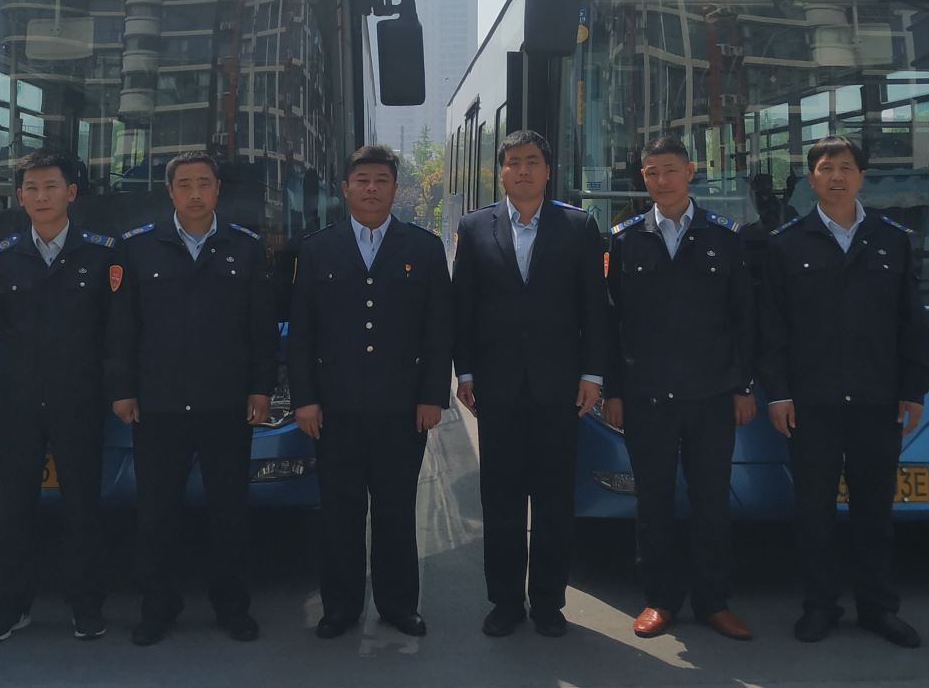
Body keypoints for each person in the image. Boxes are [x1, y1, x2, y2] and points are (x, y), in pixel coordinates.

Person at [761, 135, 929, 648]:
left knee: (874, 512)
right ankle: (819, 607)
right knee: (813, 512)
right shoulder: (787, 243)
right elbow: (772, 327)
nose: (835, 176)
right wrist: (778, 393)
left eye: (845, 167)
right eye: (825, 168)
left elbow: (912, 322)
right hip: (810, 403)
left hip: (876, 399)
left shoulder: (892, 240)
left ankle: (878, 609)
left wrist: (914, 388)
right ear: (810, 178)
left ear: (861, 176)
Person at [110, 152, 276, 645]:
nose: (196, 193)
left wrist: (261, 388)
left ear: (218, 189)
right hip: (159, 404)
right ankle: (158, 608)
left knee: (230, 512)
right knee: (156, 513)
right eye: (185, 184)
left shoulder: (246, 248)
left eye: (205, 183)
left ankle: (232, 607)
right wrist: (122, 390)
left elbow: (261, 328)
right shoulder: (138, 248)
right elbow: (122, 329)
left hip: (226, 404)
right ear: (170, 192)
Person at [288, 145, 452, 639]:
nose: (372, 188)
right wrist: (305, 399)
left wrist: (432, 396)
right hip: (334, 407)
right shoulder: (317, 249)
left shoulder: (423, 249)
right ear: (345, 188)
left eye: (381, 180)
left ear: (395, 189)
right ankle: (340, 607)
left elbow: (438, 330)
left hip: (401, 407)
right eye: (362, 180)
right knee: (339, 512)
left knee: (395, 510)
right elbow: (302, 332)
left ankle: (398, 605)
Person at [451, 129, 609, 638]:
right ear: (500, 171)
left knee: (554, 500)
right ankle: (505, 601)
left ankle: (547, 602)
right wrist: (465, 371)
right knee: (500, 499)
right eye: (514, 161)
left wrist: (592, 374)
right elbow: (463, 307)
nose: (523, 170)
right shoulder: (475, 227)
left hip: (559, 387)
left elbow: (594, 307)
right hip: (496, 387)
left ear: (547, 170)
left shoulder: (578, 226)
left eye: (532, 161)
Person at [604, 135, 758, 643]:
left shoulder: (725, 238)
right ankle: (660, 599)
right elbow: (612, 322)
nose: (661, 181)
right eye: (651, 172)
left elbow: (744, 319)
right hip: (647, 397)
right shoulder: (626, 239)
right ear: (642, 179)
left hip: (710, 397)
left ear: (691, 172)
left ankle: (714, 602)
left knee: (711, 502)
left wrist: (743, 387)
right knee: (654, 503)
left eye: (670, 169)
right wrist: (614, 391)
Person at [0, 150, 129, 644]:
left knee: (82, 506)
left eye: (51, 187)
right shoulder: (1, 258)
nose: (41, 197)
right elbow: (1, 324)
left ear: (71, 193)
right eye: (32, 189)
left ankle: (85, 605)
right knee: (14, 507)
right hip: (20, 400)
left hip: (79, 398)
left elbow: (114, 330)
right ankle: (11, 606)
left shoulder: (102, 254)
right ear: (20, 197)